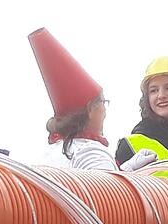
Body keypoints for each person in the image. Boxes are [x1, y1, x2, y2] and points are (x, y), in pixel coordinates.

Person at [30, 27, 155, 172]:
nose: (105, 111)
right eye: (103, 103)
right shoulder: (91, 153)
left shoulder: (50, 153)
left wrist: (128, 168)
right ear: (90, 109)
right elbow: (108, 186)